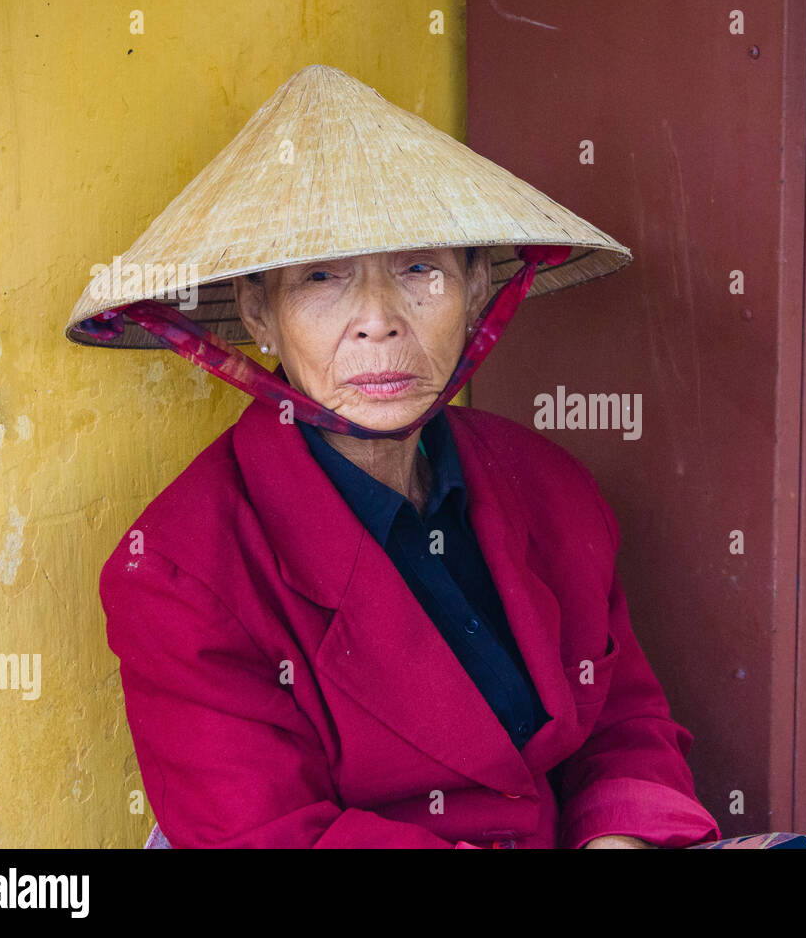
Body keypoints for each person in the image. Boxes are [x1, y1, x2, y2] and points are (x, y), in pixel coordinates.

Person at [66, 64, 722, 848]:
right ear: (258, 315)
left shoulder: (549, 488)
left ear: (477, 285)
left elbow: (624, 723)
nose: (378, 321)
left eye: (419, 268)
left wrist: (618, 840)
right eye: (322, 277)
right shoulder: (181, 572)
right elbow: (271, 836)